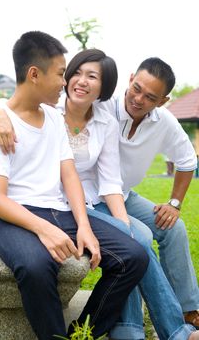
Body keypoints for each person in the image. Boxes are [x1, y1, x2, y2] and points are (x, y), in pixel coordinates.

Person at [0, 50, 199, 339]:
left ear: (102, 89)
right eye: (75, 73)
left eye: (92, 77)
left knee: (140, 237)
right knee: (133, 239)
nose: (139, 99)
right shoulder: (51, 107)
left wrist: (134, 220)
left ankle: (168, 319)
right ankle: (131, 329)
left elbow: (110, 180)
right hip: (58, 202)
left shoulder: (104, 116)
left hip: (100, 198)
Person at [93, 57, 199, 331]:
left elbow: (187, 161)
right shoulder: (101, 106)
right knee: (138, 237)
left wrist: (175, 203)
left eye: (149, 96)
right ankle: (137, 327)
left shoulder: (164, 121)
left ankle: (189, 309)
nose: (138, 99)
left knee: (173, 227)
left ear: (162, 101)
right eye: (136, 88)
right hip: (92, 199)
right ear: (129, 79)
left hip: (125, 195)